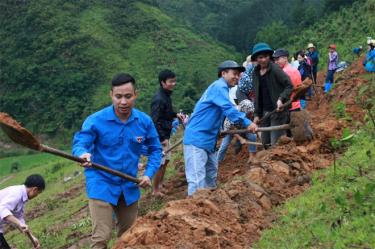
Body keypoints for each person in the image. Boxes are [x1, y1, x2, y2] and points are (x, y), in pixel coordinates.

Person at [72, 73, 162, 249]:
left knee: (128, 237)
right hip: (101, 182)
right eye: (118, 96)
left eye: (128, 96)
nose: (123, 102)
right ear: (111, 95)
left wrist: (148, 174)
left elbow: (155, 149)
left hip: (129, 184)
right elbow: (81, 142)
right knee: (101, 238)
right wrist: (82, 153)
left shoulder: (144, 121)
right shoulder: (96, 120)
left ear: (135, 94)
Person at [183, 60, 257, 196]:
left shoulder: (222, 89)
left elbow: (218, 112)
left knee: (211, 176)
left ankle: (211, 207)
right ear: (223, 73)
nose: (237, 77)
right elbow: (227, 108)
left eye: (238, 74)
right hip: (196, 139)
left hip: (209, 140)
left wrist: (218, 130)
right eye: (234, 73)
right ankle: (194, 210)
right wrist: (247, 123)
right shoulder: (219, 87)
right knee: (197, 181)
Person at [251, 42, 293, 147]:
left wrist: (281, 99)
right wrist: (257, 114)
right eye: (260, 57)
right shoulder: (255, 73)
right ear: (256, 58)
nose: (263, 60)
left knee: (277, 144)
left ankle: (281, 162)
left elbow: (289, 85)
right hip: (265, 113)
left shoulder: (275, 69)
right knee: (265, 143)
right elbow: (257, 95)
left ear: (269, 56)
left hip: (278, 111)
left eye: (266, 56)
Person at [150, 69, 183, 197]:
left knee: (166, 161)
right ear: (163, 82)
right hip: (160, 136)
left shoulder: (166, 95)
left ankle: (160, 184)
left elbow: (167, 113)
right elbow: (155, 120)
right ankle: (155, 190)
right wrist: (162, 138)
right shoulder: (159, 99)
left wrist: (176, 114)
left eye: (174, 81)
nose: (173, 84)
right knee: (160, 162)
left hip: (165, 133)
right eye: (170, 81)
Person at [0, 174, 45, 249]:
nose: (37, 195)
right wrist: (19, 223)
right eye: (38, 193)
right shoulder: (16, 194)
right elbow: (2, 210)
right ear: (34, 189)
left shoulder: (22, 198)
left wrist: (32, 237)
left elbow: (19, 219)